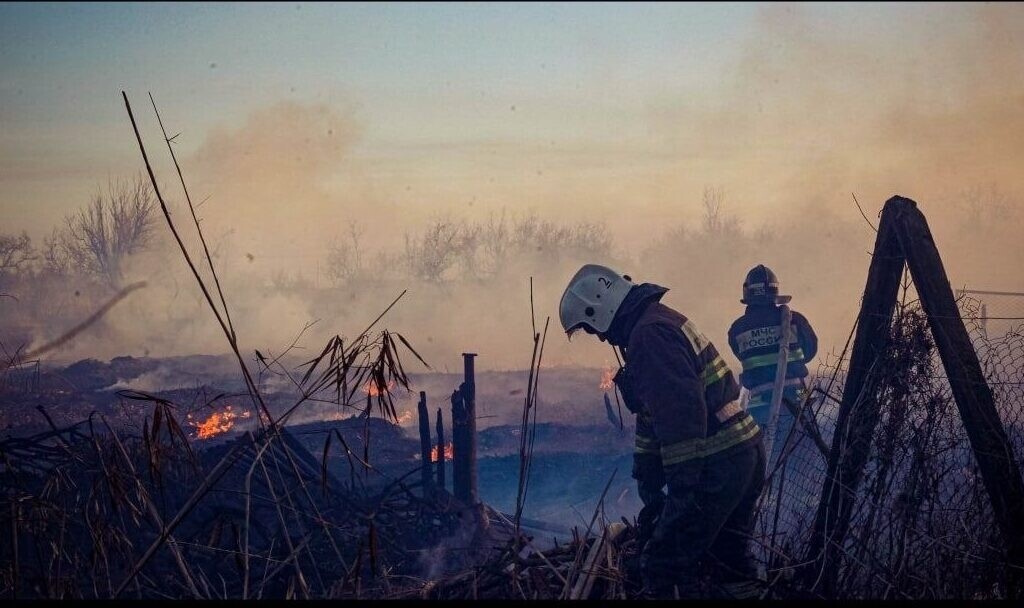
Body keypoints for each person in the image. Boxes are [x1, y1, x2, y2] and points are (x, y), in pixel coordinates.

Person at [559, 263, 765, 598]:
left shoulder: (649, 336)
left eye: (593, 328)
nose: (601, 337)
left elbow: (681, 419)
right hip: (740, 454)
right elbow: (652, 414)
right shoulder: (656, 322)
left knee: (663, 566)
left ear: (601, 309)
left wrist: (682, 490)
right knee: (728, 561)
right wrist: (647, 472)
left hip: (719, 463)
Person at [727, 265, 818, 465]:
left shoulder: (737, 330)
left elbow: (741, 355)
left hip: (760, 403)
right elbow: (810, 351)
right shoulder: (795, 320)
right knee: (806, 453)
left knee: (761, 459)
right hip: (798, 396)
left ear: (747, 295)